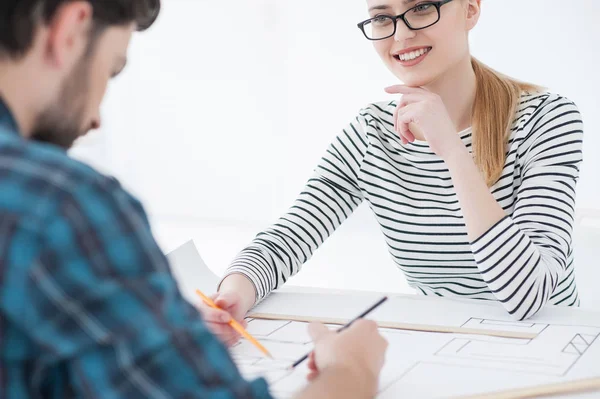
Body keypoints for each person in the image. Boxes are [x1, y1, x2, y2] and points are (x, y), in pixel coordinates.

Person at [0, 1, 388, 398]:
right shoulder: (63, 206)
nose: (96, 118)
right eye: (110, 69)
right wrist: (351, 372)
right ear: (71, 29)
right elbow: (294, 229)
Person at [202, 0, 585, 346]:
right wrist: (235, 290)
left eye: (421, 8)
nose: (401, 34)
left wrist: (451, 149)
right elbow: (288, 237)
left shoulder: (547, 120)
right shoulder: (371, 133)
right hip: (450, 348)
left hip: (552, 347)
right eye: (383, 17)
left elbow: (528, 293)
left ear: (470, 9)